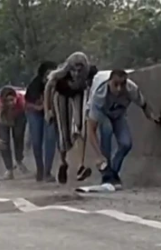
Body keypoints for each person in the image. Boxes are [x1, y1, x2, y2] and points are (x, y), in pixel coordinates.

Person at [87, 69, 161, 186]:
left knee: (126, 143)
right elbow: (91, 130)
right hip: (103, 114)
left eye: (122, 84)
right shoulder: (100, 95)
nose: (119, 89)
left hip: (118, 115)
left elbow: (144, 104)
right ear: (109, 82)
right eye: (115, 84)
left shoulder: (131, 89)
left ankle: (113, 173)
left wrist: (152, 116)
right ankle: (106, 171)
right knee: (107, 129)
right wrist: (98, 156)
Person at [44, 52, 98, 184]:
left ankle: (81, 166)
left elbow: (93, 87)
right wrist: (48, 110)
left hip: (77, 95)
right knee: (63, 132)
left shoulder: (90, 73)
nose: (77, 74)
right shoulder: (60, 75)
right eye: (74, 70)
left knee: (79, 127)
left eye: (80, 70)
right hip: (61, 96)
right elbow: (48, 88)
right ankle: (63, 162)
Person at [25, 61, 58, 182]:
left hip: (50, 112)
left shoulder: (58, 84)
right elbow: (27, 103)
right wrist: (38, 107)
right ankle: (40, 168)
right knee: (36, 141)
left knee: (50, 140)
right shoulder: (35, 84)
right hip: (35, 112)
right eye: (48, 74)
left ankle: (47, 172)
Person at [0, 86, 28, 180]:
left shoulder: (22, 101)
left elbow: (29, 115)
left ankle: (19, 160)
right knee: (4, 141)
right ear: (3, 101)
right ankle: (9, 169)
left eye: (12, 100)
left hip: (19, 116)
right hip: (2, 117)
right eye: (8, 100)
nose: (11, 103)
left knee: (18, 136)